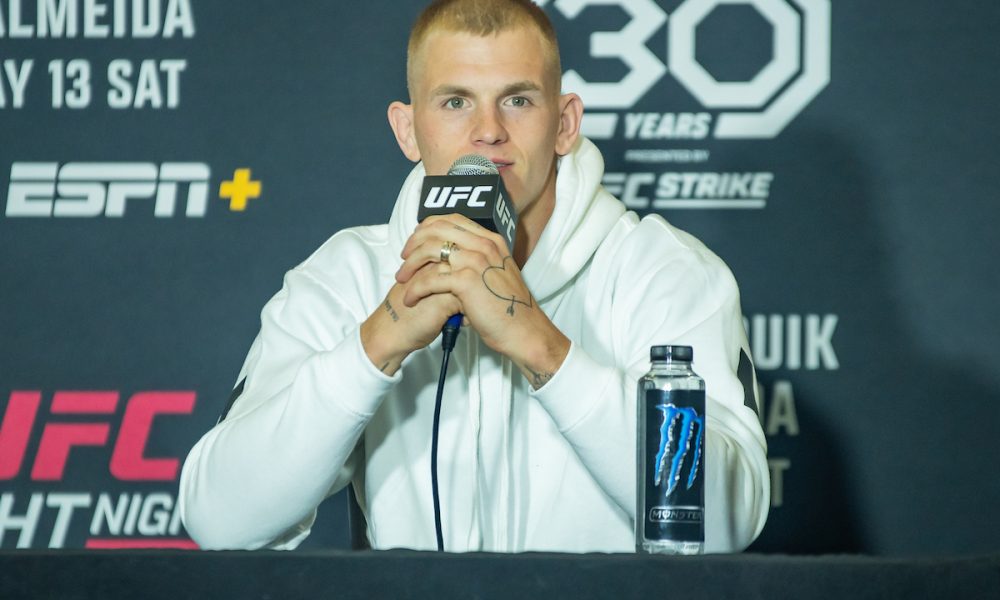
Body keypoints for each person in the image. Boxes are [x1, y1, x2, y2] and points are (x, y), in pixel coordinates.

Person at [179, 0, 769, 553]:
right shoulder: (347, 276)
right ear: (407, 130)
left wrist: (544, 349)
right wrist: (377, 344)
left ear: (565, 123)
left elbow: (724, 521)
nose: (488, 130)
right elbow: (220, 521)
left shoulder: (664, 272)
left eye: (517, 100)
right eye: (455, 102)